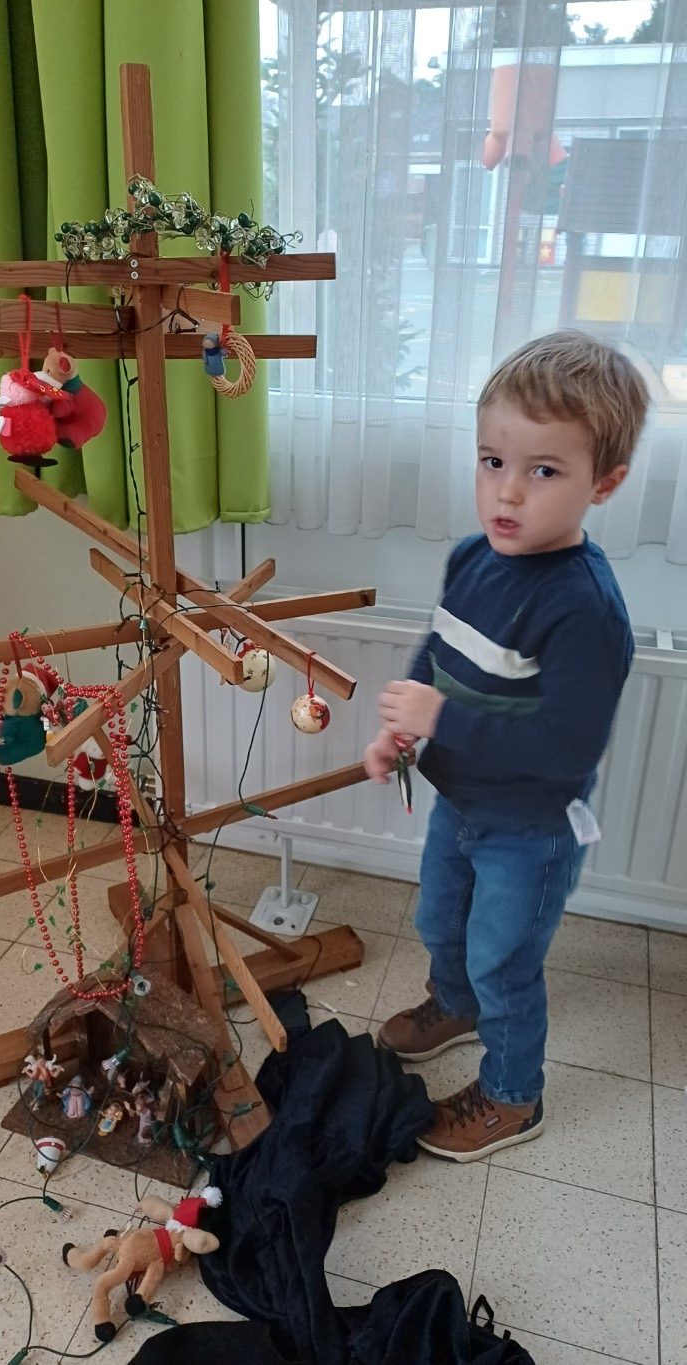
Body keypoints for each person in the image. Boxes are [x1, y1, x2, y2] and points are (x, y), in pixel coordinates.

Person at [365, 331, 649, 1162]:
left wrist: (441, 717)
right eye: (493, 461)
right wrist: (402, 726)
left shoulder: (584, 608)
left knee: (505, 960)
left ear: (605, 483)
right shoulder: (473, 555)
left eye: (544, 471)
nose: (508, 491)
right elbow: (440, 653)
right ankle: (456, 1005)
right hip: (460, 801)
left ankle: (514, 1096)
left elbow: (565, 748)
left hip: (531, 828)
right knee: (439, 920)